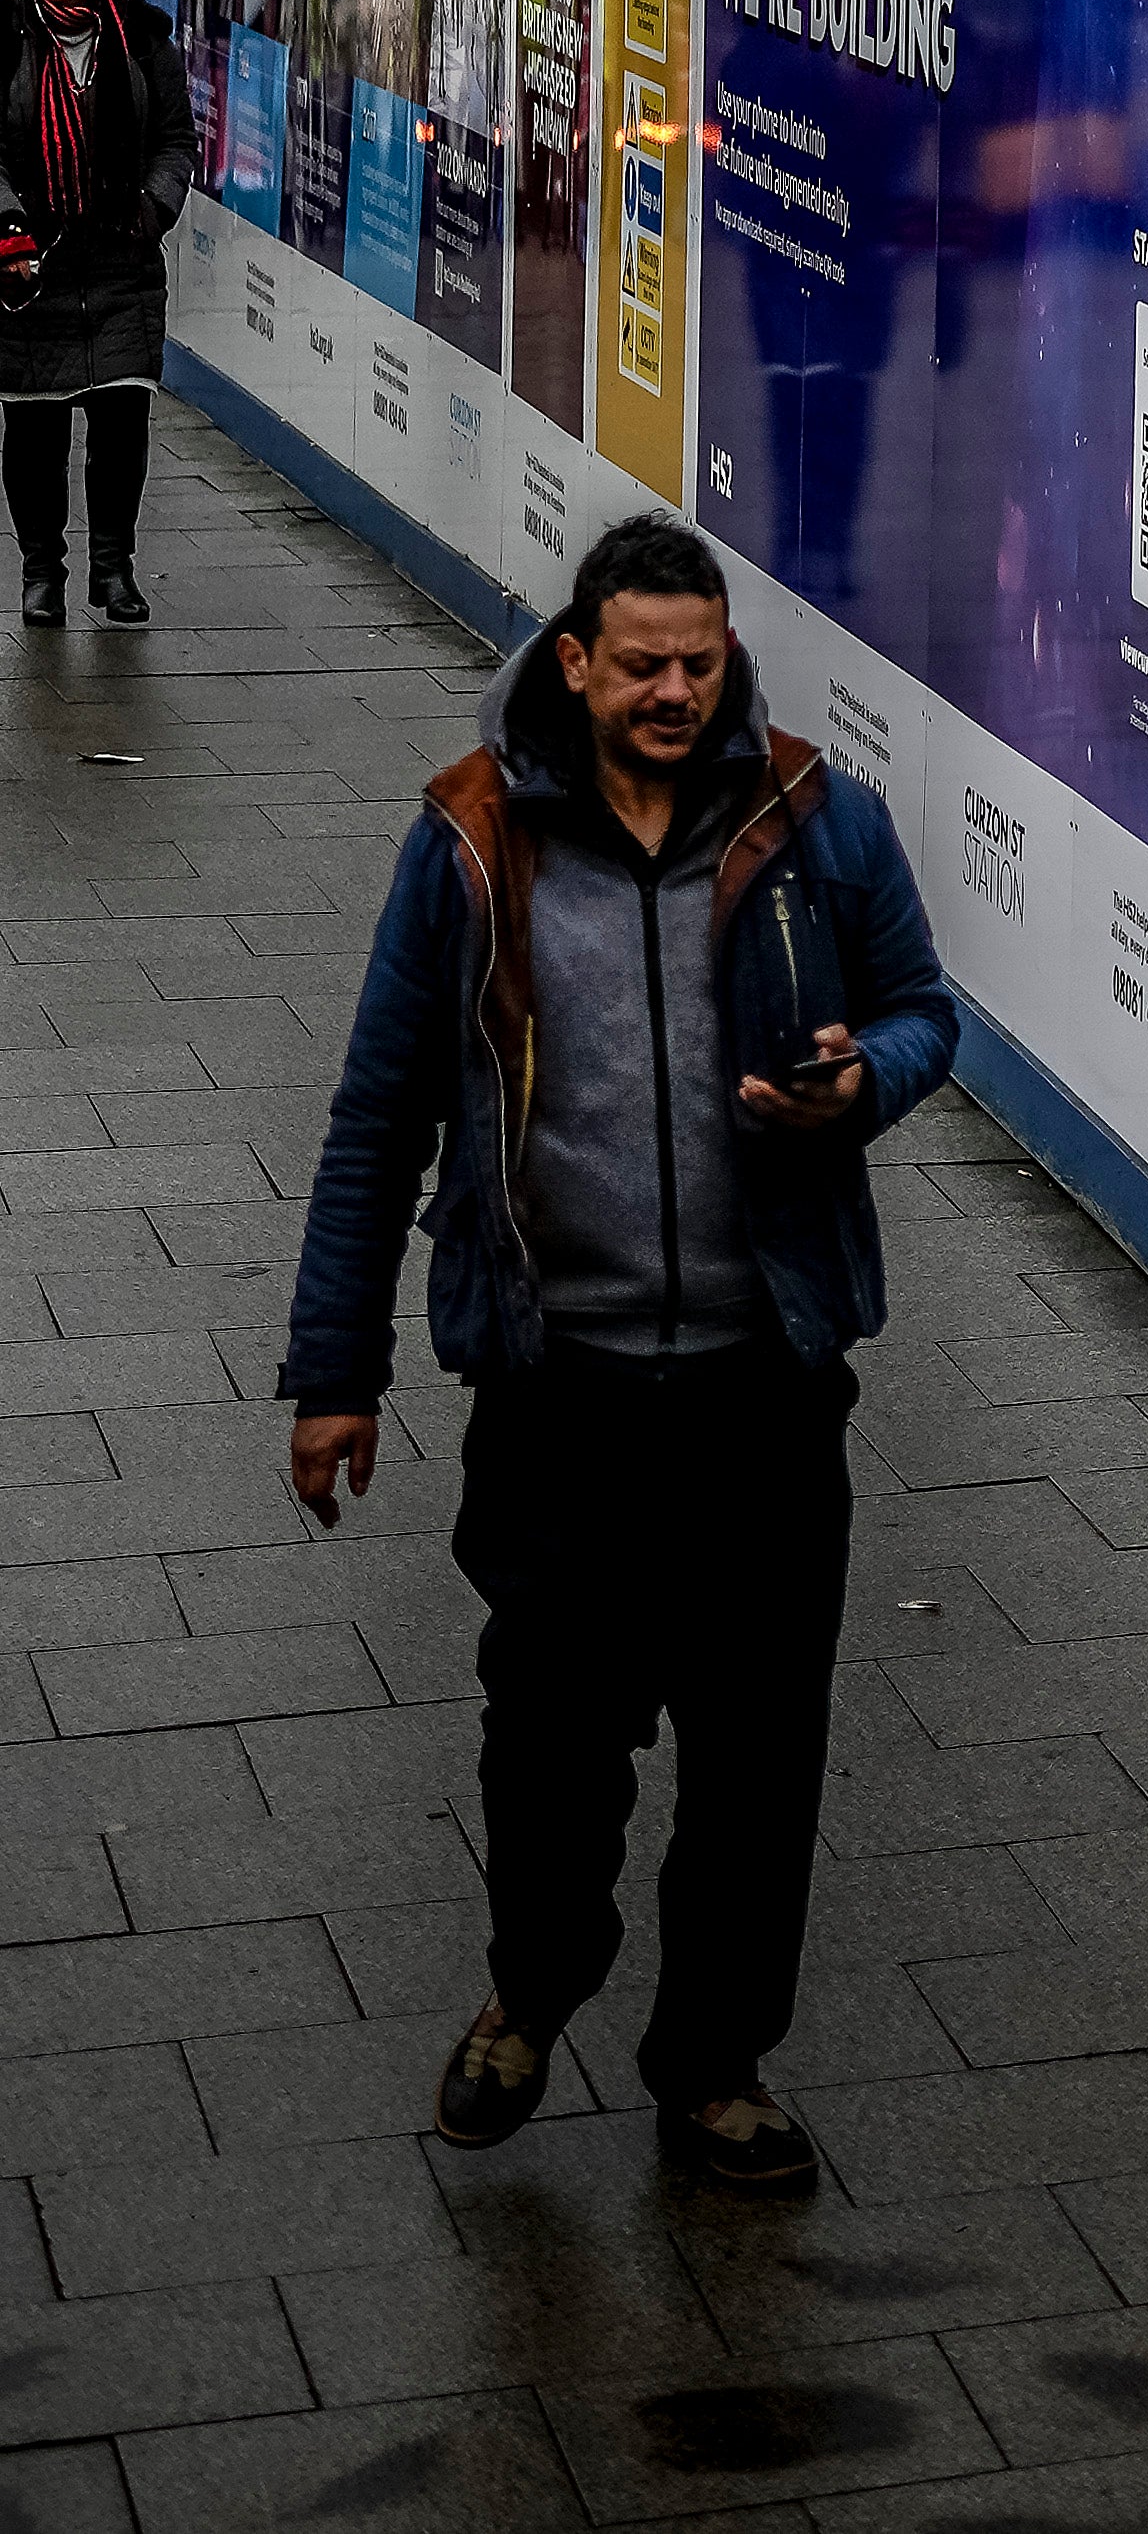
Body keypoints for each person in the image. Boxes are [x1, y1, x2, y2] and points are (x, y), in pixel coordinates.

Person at [279, 514, 959, 2193]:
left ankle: (716, 2065)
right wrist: (335, 1368)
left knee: (757, 1748)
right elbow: (380, 1115)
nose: (672, 689)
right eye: (641, 660)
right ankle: (533, 1981)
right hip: (556, 1383)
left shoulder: (816, 818)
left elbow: (926, 1009)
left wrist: (857, 1077)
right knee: (552, 1737)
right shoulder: (467, 838)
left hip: (764, 1383)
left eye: (699, 660)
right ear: (572, 659)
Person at [0, 0, 199, 630]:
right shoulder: (2, 38)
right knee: (35, 427)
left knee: (122, 423)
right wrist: (9, 231)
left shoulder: (143, 38)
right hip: (30, 272)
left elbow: (177, 141)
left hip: (122, 265)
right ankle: (41, 573)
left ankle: (114, 570)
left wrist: (150, 208)